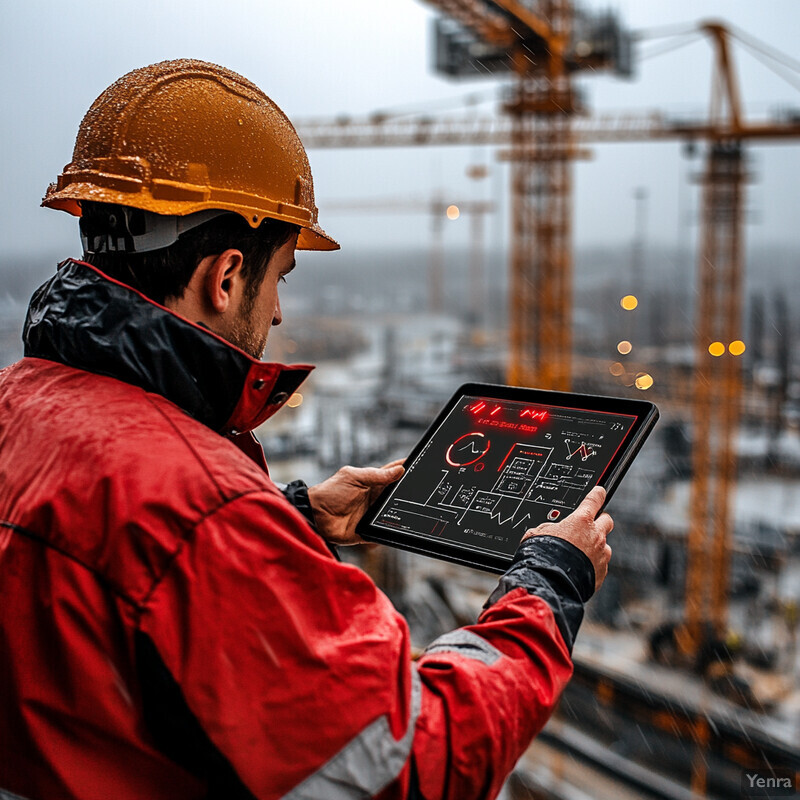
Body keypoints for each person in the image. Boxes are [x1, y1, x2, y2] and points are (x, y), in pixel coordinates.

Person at [0, 59, 612, 800]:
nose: (280, 313)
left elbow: (107, 592)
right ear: (225, 277)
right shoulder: (200, 514)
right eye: (281, 276)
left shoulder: (16, 406)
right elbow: (420, 764)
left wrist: (291, 520)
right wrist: (551, 582)